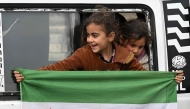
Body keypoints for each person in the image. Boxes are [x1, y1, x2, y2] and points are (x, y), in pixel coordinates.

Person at [14, 7, 183, 84]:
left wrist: (169, 79)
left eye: (95, 35)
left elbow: (145, 78)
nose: (89, 40)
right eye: (88, 35)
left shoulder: (125, 56)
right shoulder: (83, 55)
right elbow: (57, 68)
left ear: (110, 37)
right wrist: (29, 75)